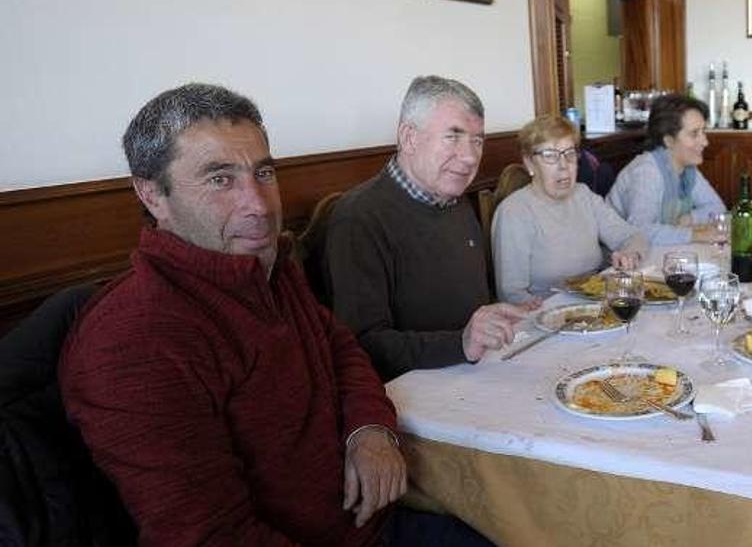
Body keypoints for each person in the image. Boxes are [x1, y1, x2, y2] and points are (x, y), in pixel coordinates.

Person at [57, 83, 454, 546]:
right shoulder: (132, 340)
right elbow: (208, 536)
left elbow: (338, 346)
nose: (259, 206)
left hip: (378, 522)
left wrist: (368, 430)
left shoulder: (266, 266)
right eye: (220, 179)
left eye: (263, 173)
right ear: (152, 196)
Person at [324, 76, 530, 380]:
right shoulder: (359, 218)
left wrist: (498, 316)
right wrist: (461, 343)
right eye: (453, 136)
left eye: (477, 140)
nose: (471, 156)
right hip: (410, 399)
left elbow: (469, 306)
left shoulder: (456, 202)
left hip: (476, 374)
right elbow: (363, 345)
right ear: (409, 138)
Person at [492, 115, 649, 303]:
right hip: (546, 316)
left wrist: (630, 253)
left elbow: (633, 236)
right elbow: (511, 294)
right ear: (530, 163)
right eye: (550, 156)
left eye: (570, 154)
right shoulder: (514, 212)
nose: (563, 166)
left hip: (598, 304)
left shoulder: (583, 195)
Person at [606, 94, 726, 245]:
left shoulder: (688, 168)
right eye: (694, 134)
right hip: (620, 259)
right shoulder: (647, 172)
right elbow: (639, 231)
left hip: (656, 253)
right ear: (668, 140)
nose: (705, 142)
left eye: (703, 131)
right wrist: (694, 235)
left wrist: (688, 218)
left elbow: (717, 208)